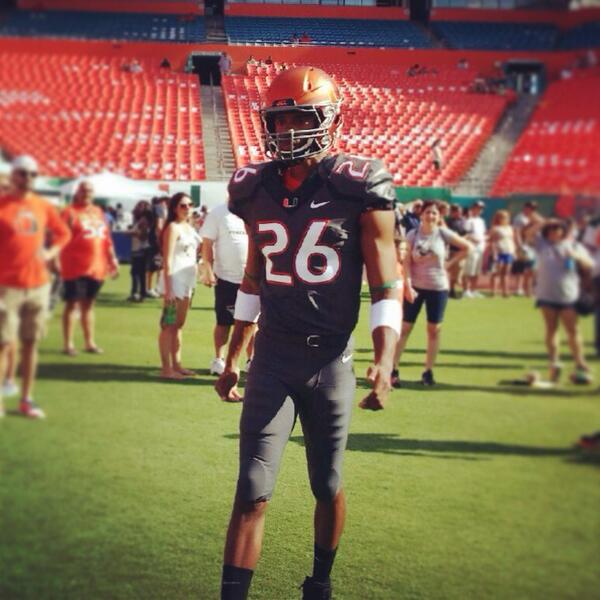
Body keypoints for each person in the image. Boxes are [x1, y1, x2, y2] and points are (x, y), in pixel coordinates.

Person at [214, 67, 399, 600]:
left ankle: (320, 581)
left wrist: (385, 361)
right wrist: (233, 355)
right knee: (251, 490)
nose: (288, 129)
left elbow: (387, 281)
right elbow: (254, 275)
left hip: (329, 361)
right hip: (271, 357)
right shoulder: (253, 187)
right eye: (280, 118)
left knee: (327, 483)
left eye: (301, 116)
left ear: (330, 119)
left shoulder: (359, 184)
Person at [0, 155, 71, 418]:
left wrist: (51, 253)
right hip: (5, 286)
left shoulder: (43, 206)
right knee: (3, 342)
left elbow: (63, 233)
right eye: (22, 173)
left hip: (38, 284)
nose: (27, 178)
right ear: (13, 175)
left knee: (30, 343)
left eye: (32, 174)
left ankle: (26, 399)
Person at [394, 201, 472, 386]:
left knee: (434, 330)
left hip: (438, 288)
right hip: (416, 287)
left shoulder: (443, 233)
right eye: (428, 212)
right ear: (421, 215)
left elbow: (466, 247)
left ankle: (428, 371)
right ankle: (393, 368)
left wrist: (449, 265)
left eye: (435, 214)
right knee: (405, 328)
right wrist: (408, 284)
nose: (431, 216)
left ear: (439, 217)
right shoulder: (413, 234)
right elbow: (406, 263)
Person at [525, 218, 594, 384]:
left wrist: (576, 256)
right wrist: (544, 222)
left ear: (563, 231)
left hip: (568, 295)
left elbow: (590, 264)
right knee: (551, 328)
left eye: (557, 229)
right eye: (551, 229)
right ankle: (554, 360)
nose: (554, 232)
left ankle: (579, 361)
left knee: (573, 330)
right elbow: (528, 233)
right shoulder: (542, 245)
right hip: (546, 295)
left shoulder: (574, 246)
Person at [60, 181, 119, 355]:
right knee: (72, 304)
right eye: (84, 190)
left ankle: (89, 342)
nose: (87, 193)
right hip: (74, 266)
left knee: (89, 304)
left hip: (96, 266)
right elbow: (59, 236)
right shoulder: (69, 212)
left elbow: (106, 238)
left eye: (90, 190)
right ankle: (68, 344)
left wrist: (112, 259)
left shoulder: (98, 212)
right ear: (77, 192)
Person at [200, 201, 252, 376]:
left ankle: (251, 360)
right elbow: (206, 243)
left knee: (253, 322)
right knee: (224, 322)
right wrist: (206, 268)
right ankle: (218, 360)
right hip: (226, 278)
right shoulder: (218, 212)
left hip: (252, 279)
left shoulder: (255, 210)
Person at [157, 193, 201, 379]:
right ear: (174, 207)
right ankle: (166, 368)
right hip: (174, 280)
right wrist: (168, 289)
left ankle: (177, 364)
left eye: (190, 204)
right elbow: (167, 260)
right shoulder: (172, 228)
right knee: (169, 325)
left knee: (179, 325)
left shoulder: (189, 228)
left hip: (187, 280)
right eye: (183, 205)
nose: (187, 208)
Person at [128, 200, 152, 302]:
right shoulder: (140, 220)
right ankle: (141, 293)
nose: (137, 207)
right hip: (138, 249)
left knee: (136, 273)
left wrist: (132, 233)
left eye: (140, 206)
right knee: (139, 273)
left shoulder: (144, 220)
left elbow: (143, 236)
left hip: (140, 249)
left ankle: (136, 293)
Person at [512, 201, 538, 296]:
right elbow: (517, 232)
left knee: (531, 268)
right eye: (529, 207)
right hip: (524, 245)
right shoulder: (520, 218)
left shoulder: (533, 218)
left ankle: (528, 288)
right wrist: (520, 246)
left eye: (533, 208)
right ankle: (518, 288)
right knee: (521, 268)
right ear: (524, 207)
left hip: (532, 246)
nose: (530, 209)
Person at [488, 209, 515, 298]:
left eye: (507, 218)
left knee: (506, 272)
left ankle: (505, 292)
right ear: (498, 218)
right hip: (500, 252)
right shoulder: (495, 228)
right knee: (497, 272)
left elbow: (511, 240)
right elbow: (492, 241)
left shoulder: (510, 228)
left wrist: (514, 252)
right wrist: (494, 253)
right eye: (503, 218)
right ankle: (493, 291)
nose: (505, 219)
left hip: (509, 251)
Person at [463, 201, 487, 298]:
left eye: (481, 208)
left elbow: (483, 234)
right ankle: (466, 290)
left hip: (480, 248)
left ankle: (473, 290)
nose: (479, 210)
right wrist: (473, 239)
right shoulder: (468, 220)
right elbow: (465, 234)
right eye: (477, 207)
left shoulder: (481, 221)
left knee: (477, 270)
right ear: (472, 208)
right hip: (471, 247)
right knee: (469, 270)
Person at [445, 203, 467, 298]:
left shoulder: (463, 221)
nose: (460, 213)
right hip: (451, 250)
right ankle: (449, 290)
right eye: (458, 211)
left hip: (461, 250)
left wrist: (461, 240)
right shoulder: (448, 221)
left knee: (458, 271)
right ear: (453, 212)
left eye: (460, 211)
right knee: (450, 271)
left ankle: (454, 290)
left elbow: (466, 233)